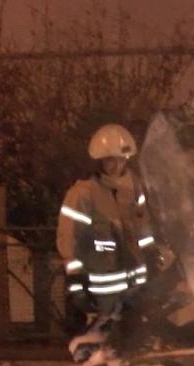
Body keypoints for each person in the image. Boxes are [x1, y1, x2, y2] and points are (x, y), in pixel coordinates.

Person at [55, 124, 154, 331]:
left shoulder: (135, 187)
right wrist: (76, 280)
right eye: (110, 160)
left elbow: (143, 227)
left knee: (133, 341)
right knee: (98, 342)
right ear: (99, 161)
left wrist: (151, 255)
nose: (116, 165)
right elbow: (69, 237)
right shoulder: (83, 194)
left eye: (120, 159)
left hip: (135, 284)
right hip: (101, 287)